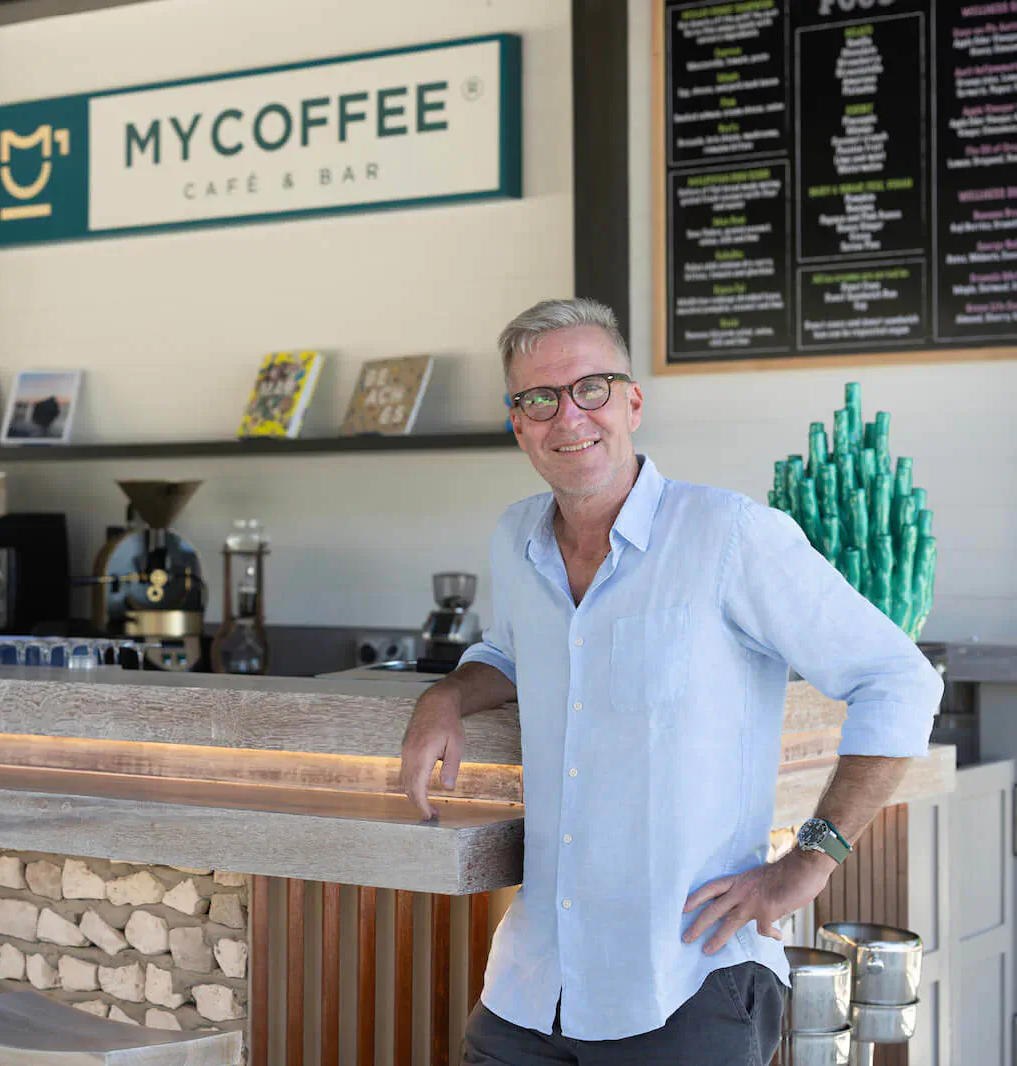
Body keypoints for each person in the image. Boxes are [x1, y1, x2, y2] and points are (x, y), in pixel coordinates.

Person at [398, 298, 941, 1066]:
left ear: (632, 403)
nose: (569, 416)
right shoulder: (515, 537)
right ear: (518, 424)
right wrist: (446, 695)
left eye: (590, 388)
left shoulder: (728, 535)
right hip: (534, 982)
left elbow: (899, 677)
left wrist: (810, 860)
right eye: (540, 398)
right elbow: (511, 653)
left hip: (688, 978)